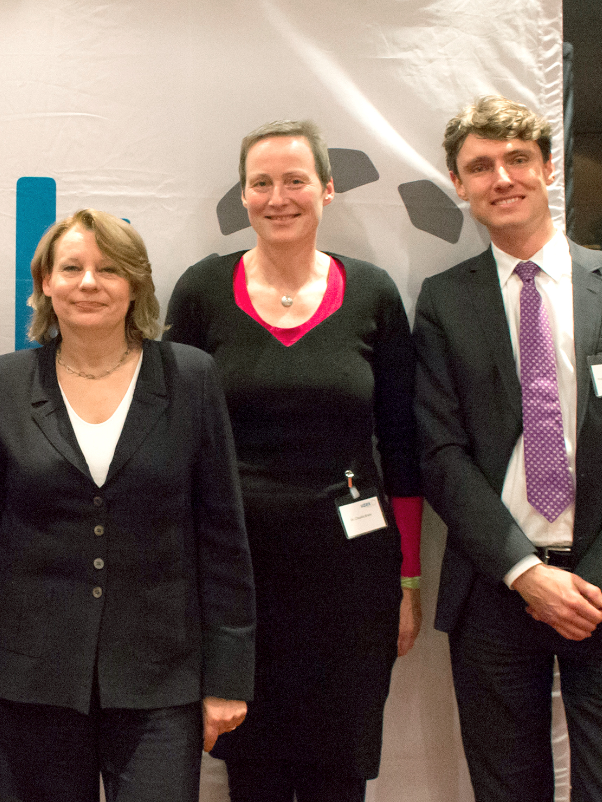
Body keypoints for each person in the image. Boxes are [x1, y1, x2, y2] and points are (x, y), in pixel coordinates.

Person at [414, 95, 602, 802]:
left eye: (516, 160)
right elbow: (441, 454)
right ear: (459, 183)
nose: (501, 177)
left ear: (547, 170)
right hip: (497, 590)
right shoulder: (444, 300)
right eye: (480, 166)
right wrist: (525, 573)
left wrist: (595, 581)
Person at [0, 209, 255, 802]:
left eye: (109, 269)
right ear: (45, 284)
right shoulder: (7, 382)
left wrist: (228, 676)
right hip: (30, 678)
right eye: (72, 268)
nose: (89, 282)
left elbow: (223, 538)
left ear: (135, 284)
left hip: (161, 681)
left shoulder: (190, 377)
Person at [164, 119, 423, 802]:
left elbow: (401, 445)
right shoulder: (201, 293)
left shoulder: (373, 294)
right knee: (254, 774)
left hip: (352, 580)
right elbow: (171, 440)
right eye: (262, 183)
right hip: (237, 578)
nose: (279, 197)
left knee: (340, 774)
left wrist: (410, 580)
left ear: (328, 190)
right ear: (243, 197)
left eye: (296, 180)